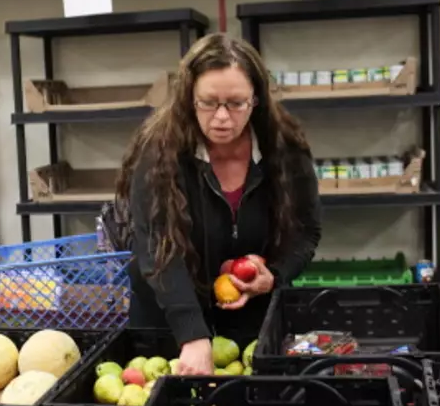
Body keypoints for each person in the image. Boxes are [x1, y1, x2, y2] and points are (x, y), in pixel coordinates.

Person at [115, 33, 321, 375]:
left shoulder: (285, 151)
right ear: (188, 98)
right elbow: (157, 247)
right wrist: (192, 334)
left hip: (252, 327)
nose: (222, 117)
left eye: (236, 103)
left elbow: (306, 231)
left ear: (256, 99)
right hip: (169, 325)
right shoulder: (158, 153)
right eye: (208, 103)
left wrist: (274, 275)